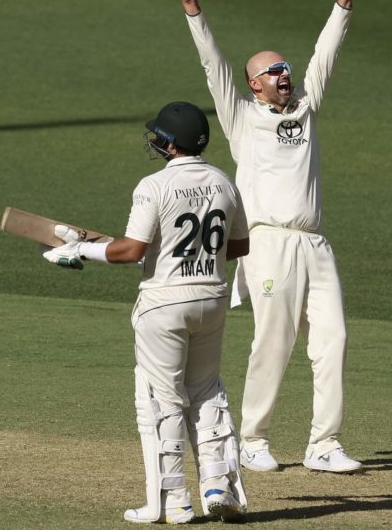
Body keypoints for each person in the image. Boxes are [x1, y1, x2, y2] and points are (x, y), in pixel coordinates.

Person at [175, 0, 363, 474]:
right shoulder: (241, 117)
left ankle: (324, 444)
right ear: (255, 84)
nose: (286, 75)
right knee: (273, 342)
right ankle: (253, 439)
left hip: (315, 244)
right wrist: (195, 13)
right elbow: (213, 67)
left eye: (286, 68)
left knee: (333, 340)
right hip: (268, 243)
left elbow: (327, 54)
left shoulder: (306, 108)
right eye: (274, 71)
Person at [42, 101, 250, 524]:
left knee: (165, 400)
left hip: (164, 305)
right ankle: (216, 486)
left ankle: (174, 503)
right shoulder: (224, 182)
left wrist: (79, 249)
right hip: (211, 298)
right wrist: (182, 254)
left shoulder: (153, 185)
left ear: (172, 144)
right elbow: (240, 246)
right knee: (207, 390)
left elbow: (130, 250)